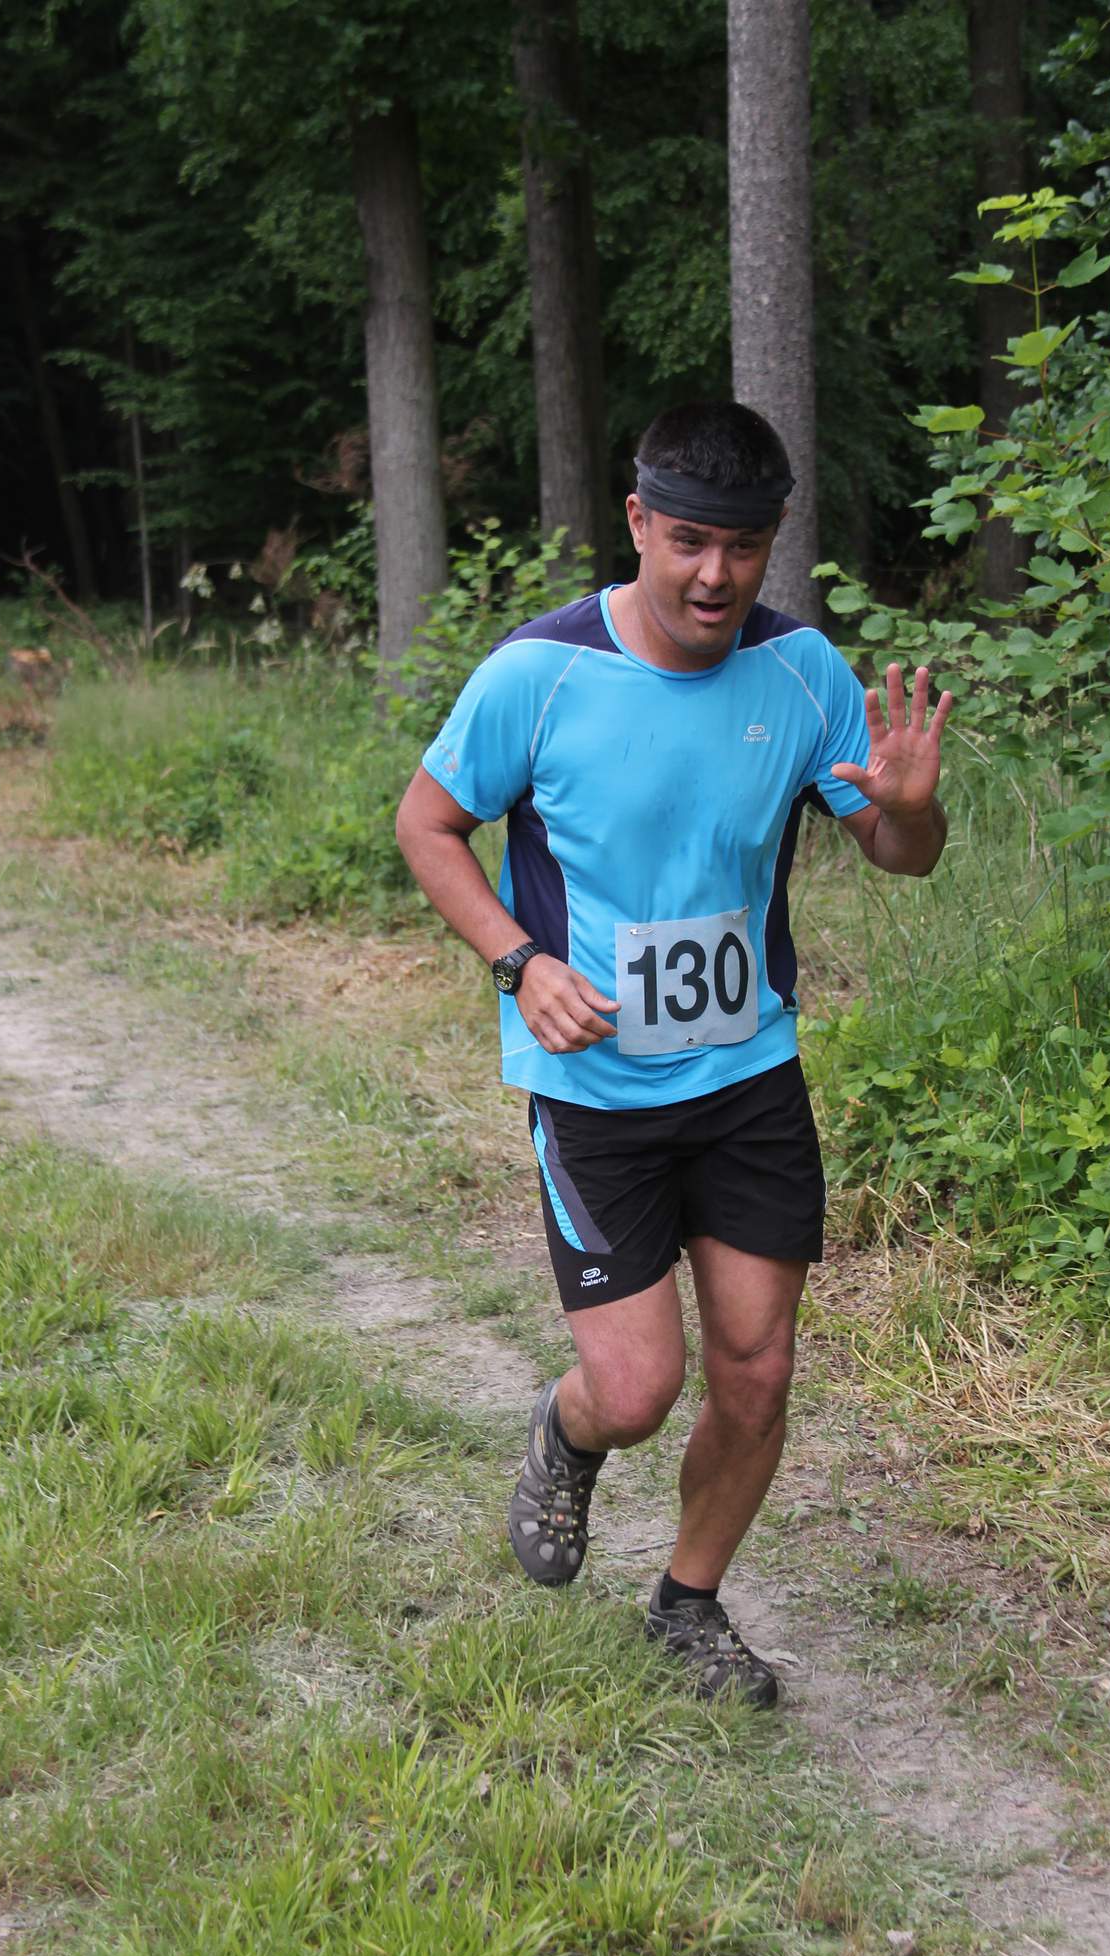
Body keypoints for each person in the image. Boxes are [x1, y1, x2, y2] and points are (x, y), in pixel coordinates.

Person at [395, 400, 950, 1709]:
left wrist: (913, 814)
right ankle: (568, 1429)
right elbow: (428, 825)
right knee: (638, 1389)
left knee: (757, 1372)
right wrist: (518, 962)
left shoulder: (802, 673)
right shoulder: (540, 673)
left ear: (773, 541)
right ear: (638, 521)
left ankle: (686, 1607)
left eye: (743, 547)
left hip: (747, 1078)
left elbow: (898, 854)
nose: (715, 574)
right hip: (595, 1091)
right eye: (690, 541)